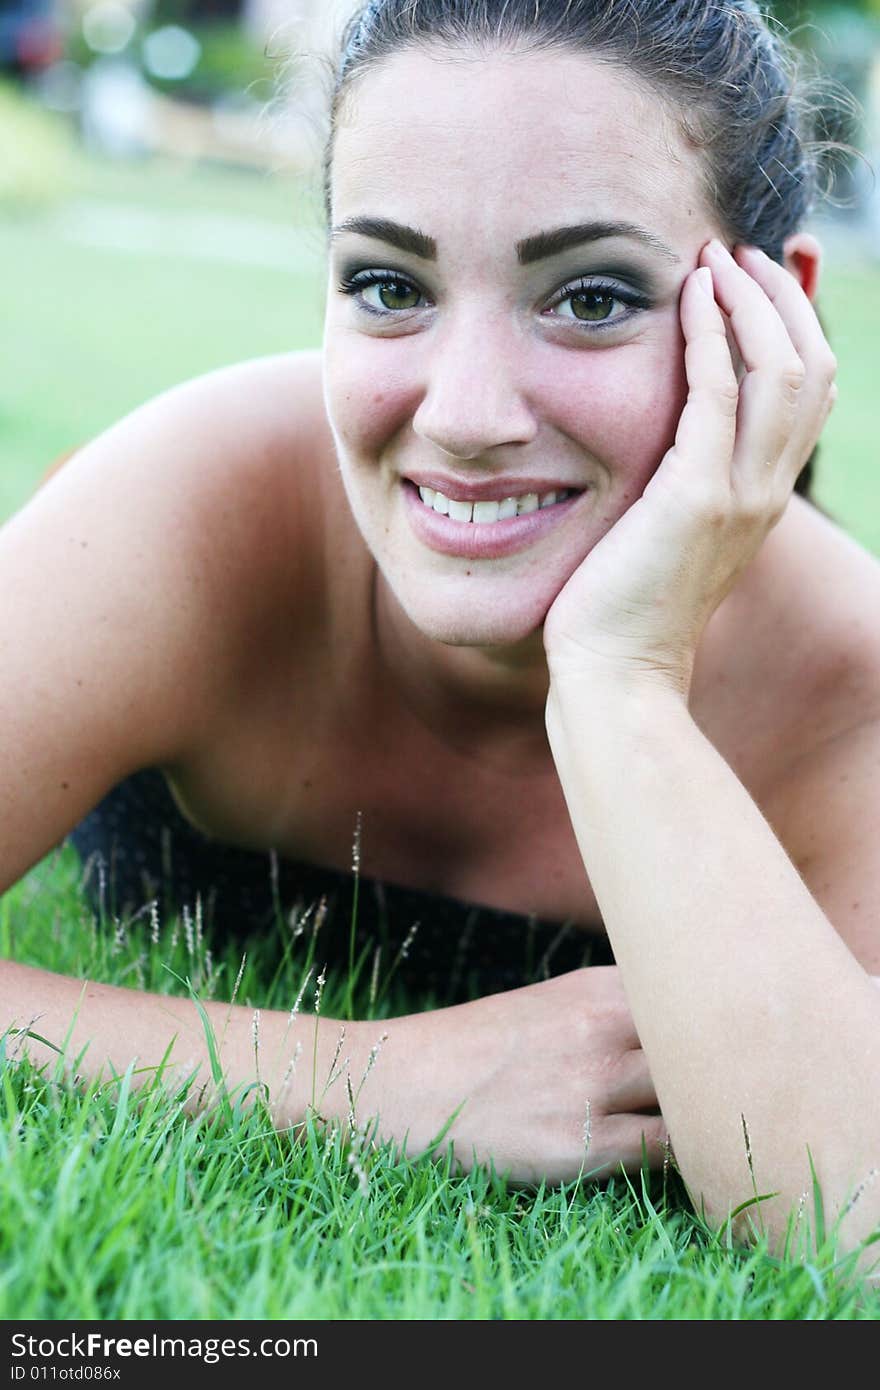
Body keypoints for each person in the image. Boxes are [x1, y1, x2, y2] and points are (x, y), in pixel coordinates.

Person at [3, 0, 879, 1266]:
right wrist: (372, 1076)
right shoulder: (197, 505)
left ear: (772, 328)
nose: (464, 414)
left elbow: (853, 1221)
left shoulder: (849, 688)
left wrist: (621, 680)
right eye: (387, 285)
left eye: (588, 296)